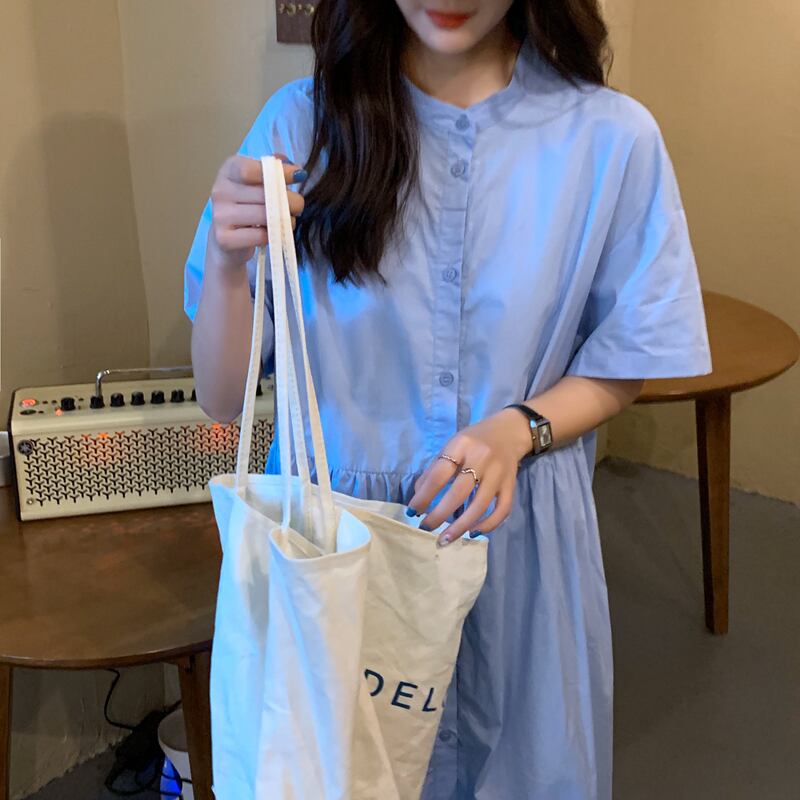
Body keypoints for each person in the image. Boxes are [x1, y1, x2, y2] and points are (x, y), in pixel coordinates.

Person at [184, 0, 711, 796]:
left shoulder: (610, 138)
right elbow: (222, 397)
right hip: (336, 550)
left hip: (519, 544)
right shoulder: (302, 125)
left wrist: (522, 428)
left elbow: (626, 355)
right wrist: (229, 264)